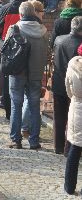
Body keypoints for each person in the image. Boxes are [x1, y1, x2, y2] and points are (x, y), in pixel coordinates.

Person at [5, 1, 49, 149]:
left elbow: (7, 50)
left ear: (21, 14)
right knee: (35, 106)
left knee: (16, 105)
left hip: (18, 73)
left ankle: (15, 139)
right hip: (36, 73)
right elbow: (47, 53)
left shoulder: (15, 29)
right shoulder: (43, 31)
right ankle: (34, 141)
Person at [53, 17, 82, 155]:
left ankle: (58, 146)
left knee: (59, 116)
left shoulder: (59, 40)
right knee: (74, 118)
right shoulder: (79, 44)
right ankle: (68, 148)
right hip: (75, 85)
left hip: (59, 82)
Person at [65, 51, 82, 194]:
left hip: (77, 108)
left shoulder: (73, 65)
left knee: (75, 149)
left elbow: (68, 90)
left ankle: (69, 187)